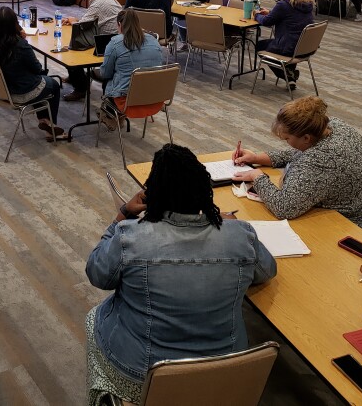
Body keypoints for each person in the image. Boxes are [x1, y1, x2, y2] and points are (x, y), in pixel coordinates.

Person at [85, 143, 277, 405]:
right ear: (204, 191)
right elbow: (267, 271)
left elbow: (97, 274)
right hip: (226, 369)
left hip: (144, 372)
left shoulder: (130, 235)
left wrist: (124, 214)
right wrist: (232, 229)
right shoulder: (239, 234)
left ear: (152, 195)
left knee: (94, 317)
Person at [233, 96, 362, 239]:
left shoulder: (320, 159)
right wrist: (256, 158)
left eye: (287, 138)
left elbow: (284, 207)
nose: (285, 141)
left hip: (360, 229)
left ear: (306, 137)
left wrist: (257, 177)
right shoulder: (332, 126)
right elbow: (299, 153)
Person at [0, 7, 63, 139]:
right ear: (14, 25)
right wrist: (23, 40)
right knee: (52, 84)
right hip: (18, 93)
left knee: (38, 81)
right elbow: (37, 68)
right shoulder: (19, 45)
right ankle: (50, 127)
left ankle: (44, 120)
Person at [97, 9, 163, 129]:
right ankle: (114, 116)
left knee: (108, 80)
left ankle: (112, 116)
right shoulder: (154, 41)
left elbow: (105, 73)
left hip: (126, 101)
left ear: (120, 25)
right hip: (155, 98)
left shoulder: (116, 43)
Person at [63, 0, 123, 101]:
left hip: (107, 45)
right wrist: (76, 20)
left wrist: (73, 21)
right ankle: (74, 76)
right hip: (117, 41)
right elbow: (89, 21)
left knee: (71, 51)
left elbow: (80, 26)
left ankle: (80, 88)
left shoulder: (98, 5)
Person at [253, 0, 315, 87]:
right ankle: (290, 77)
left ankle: (286, 74)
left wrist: (256, 15)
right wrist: (271, 12)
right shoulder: (309, 4)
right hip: (305, 48)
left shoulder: (284, 5)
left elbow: (267, 22)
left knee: (259, 45)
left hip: (288, 48)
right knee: (292, 38)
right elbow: (291, 16)